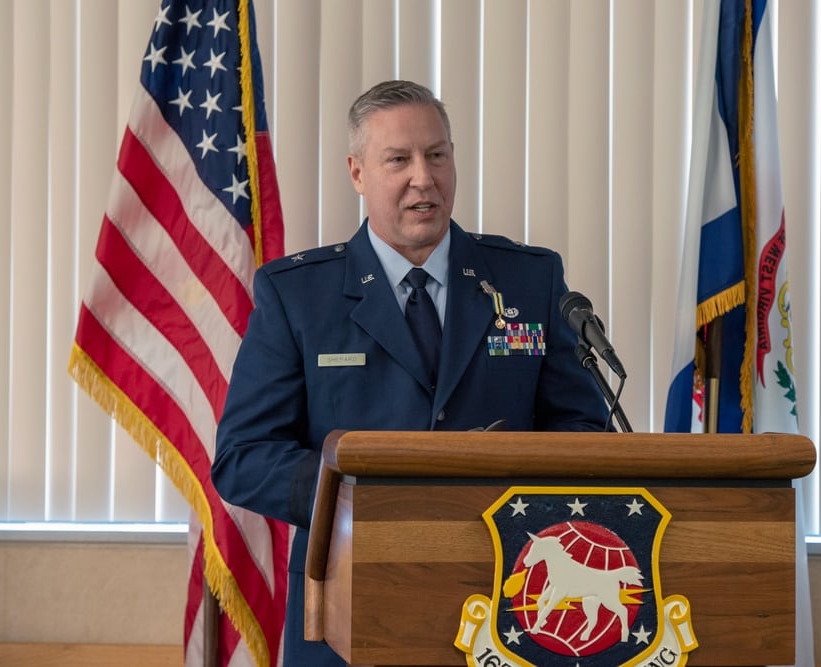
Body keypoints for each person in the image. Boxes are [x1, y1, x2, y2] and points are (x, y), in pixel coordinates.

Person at [212, 79, 610, 665]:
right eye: (398, 159)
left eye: (437, 155)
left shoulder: (529, 280)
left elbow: (584, 432)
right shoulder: (298, 295)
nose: (422, 177)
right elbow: (243, 456)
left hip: (505, 594)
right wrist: (358, 498)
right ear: (357, 173)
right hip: (348, 597)